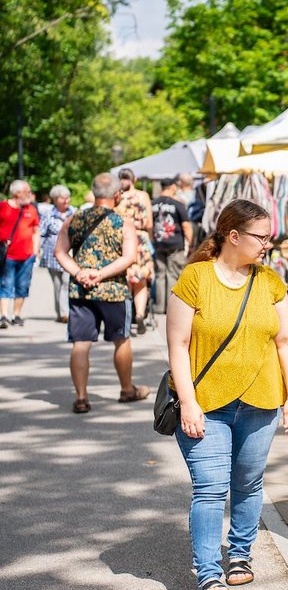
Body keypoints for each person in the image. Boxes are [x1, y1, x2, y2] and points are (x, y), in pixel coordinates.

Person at [166, 199, 288, 590]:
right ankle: (208, 575)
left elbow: (285, 340)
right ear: (234, 236)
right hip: (206, 403)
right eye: (261, 237)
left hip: (261, 401)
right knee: (210, 488)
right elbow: (178, 345)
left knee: (247, 482)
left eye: (269, 237)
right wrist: (188, 402)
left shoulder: (270, 281)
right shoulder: (195, 278)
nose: (268, 244)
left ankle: (240, 554)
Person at [54, 173, 148, 414]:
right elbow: (130, 257)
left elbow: (60, 252)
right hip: (114, 291)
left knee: (81, 343)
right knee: (121, 339)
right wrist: (101, 274)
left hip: (81, 292)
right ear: (117, 195)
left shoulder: (75, 219)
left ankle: (81, 397)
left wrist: (80, 273)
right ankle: (127, 389)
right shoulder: (122, 221)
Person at [115, 168, 154, 335]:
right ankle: (139, 314)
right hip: (141, 239)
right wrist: (149, 240)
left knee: (126, 279)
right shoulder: (143, 196)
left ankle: (127, 318)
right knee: (141, 280)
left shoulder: (118, 197)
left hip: (124, 239)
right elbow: (150, 223)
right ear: (134, 179)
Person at [0, 179, 41, 328]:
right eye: (27, 191)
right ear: (18, 193)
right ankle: (4, 315)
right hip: (7, 255)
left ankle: (16, 315)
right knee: (5, 284)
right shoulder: (3, 207)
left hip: (27, 256)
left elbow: (36, 231)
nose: (30, 194)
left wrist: (35, 251)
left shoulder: (31, 210)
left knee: (22, 286)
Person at [152, 178, 192, 317]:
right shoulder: (177, 204)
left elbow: (150, 225)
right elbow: (186, 225)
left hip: (159, 243)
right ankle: (171, 307)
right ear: (173, 187)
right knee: (173, 275)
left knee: (160, 275)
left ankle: (159, 306)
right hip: (175, 244)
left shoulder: (154, 204)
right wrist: (190, 242)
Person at [38, 185, 76, 323]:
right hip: (52, 255)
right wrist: (37, 250)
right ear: (55, 199)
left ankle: (66, 313)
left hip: (69, 255)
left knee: (67, 282)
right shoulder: (48, 215)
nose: (66, 200)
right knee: (57, 284)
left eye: (68, 197)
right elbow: (41, 234)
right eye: (62, 198)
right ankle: (60, 313)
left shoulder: (74, 212)